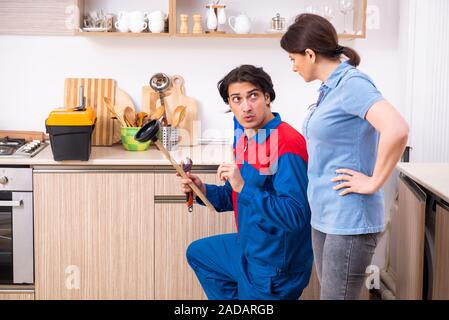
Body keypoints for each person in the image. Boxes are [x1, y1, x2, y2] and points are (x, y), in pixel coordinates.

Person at [280, 14, 409, 300]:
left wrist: (374, 181)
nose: (292, 67)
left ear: (310, 54)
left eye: (293, 59)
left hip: (348, 219)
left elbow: (396, 128)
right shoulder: (330, 89)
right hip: (326, 214)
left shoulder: (352, 84)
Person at [178, 65, 312, 300]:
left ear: (267, 97)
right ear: (230, 105)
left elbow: (296, 216)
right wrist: (202, 191)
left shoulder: (287, 143)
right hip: (250, 249)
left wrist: (243, 187)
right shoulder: (245, 135)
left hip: (275, 267)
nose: (246, 107)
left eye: (253, 96)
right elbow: (236, 196)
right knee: (199, 254)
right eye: (236, 99)